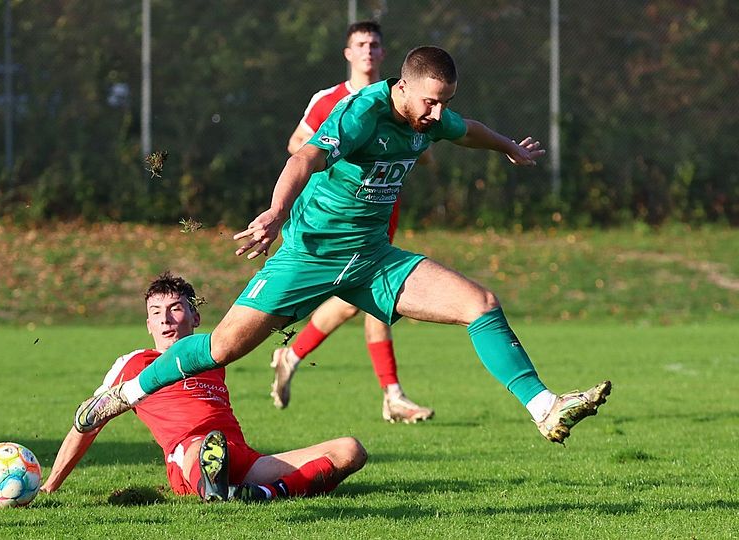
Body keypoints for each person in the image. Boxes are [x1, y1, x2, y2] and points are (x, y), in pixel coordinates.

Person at [79, 46, 611, 448]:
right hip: (309, 254)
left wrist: (508, 148)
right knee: (222, 348)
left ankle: (544, 407)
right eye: (429, 102)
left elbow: (465, 129)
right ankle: (124, 394)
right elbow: (305, 159)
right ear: (403, 88)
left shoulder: (431, 116)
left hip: (373, 259)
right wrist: (276, 212)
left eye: (443, 103)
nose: (435, 114)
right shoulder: (362, 114)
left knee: (481, 304)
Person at [42, 273, 367, 503]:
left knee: (349, 450)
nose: (166, 319)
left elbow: (257, 324)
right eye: (156, 313)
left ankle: (263, 494)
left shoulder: (213, 355)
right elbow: (88, 421)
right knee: (202, 445)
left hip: (242, 458)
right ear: (148, 325)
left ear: (195, 317)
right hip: (190, 455)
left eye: (175, 308)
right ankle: (213, 489)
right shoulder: (133, 364)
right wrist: (50, 486)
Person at [276, 21, 434, 424]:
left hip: (382, 213)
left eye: (375, 44)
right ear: (347, 53)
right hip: (335, 218)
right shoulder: (330, 99)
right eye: (360, 44)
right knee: (368, 303)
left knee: (363, 304)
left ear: (384, 54)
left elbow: (422, 150)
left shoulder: (404, 100)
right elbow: (299, 146)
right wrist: (346, 152)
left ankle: (293, 356)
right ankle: (392, 395)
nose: (368, 50)